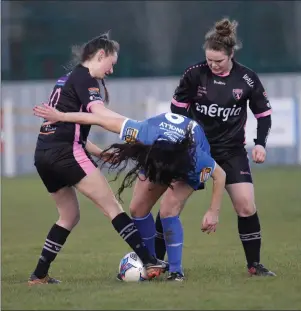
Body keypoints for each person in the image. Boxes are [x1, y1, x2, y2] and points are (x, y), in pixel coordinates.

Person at [28, 32, 168, 286]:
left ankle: (38, 275)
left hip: (44, 154)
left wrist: (99, 153)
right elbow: (99, 114)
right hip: (66, 154)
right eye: (111, 63)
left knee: (68, 216)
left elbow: (70, 130)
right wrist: (133, 127)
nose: (111, 70)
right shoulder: (85, 78)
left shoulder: (65, 79)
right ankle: (149, 260)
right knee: (113, 207)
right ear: (100, 55)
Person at [33, 105, 226, 282]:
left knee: (168, 211)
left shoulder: (196, 157)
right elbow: (100, 119)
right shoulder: (143, 132)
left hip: (183, 165)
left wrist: (213, 211)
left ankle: (176, 271)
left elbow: (220, 175)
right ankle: (152, 263)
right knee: (137, 209)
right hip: (158, 157)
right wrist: (62, 116)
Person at [154, 18, 276, 277]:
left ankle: (254, 265)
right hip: (195, 150)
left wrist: (260, 145)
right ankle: (154, 263)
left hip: (231, 151)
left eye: (218, 61)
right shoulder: (194, 74)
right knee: (169, 207)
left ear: (231, 54)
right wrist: (182, 140)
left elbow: (263, 115)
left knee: (245, 206)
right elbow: (177, 109)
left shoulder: (247, 79)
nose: (213, 65)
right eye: (209, 60)